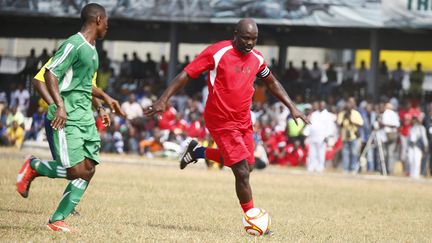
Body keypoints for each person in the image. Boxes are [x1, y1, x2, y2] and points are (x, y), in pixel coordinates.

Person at [144, 18, 308, 227]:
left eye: (254, 39)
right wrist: (163, 99)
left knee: (248, 166)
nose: (249, 43)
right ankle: (253, 219)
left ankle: (198, 152)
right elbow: (187, 74)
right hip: (220, 120)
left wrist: (291, 106)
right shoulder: (218, 52)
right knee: (240, 171)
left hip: (243, 120)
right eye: (246, 38)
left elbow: (272, 82)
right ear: (235, 35)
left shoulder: (257, 58)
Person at [16, 3, 109, 232]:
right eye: (107, 20)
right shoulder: (73, 45)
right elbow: (46, 75)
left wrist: (101, 104)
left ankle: (58, 219)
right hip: (65, 117)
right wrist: (58, 106)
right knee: (76, 171)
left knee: (88, 168)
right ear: (98, 19)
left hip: (83, 115)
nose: (108, 25)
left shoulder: (92, 49)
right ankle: (35, 166)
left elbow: (86, 86)